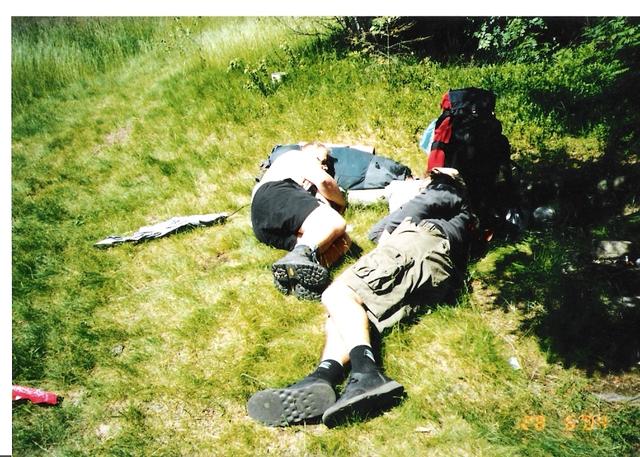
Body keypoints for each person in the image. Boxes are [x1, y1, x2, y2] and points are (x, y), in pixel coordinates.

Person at [247, 168, 478, 427]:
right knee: (351, 316)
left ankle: (368, 374)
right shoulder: (462, 220)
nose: (421, 182)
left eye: (425, 179)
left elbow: (387, 227)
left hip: (418, 242)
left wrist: (394, 225)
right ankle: (324, 376)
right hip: (438, 273)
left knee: (338, 294)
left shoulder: (445, 188)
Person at [251, 142, 351, 300]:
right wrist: (343, 204)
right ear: (309, 151)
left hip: (262, 225)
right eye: (322, 160)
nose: (325, 167)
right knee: (336, 222)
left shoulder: (304, 184)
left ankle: (298, 278)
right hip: (275, 193)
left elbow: (320, 208)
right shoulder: (296, 156)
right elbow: (325, 182)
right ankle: (299, 257)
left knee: (343, 241)